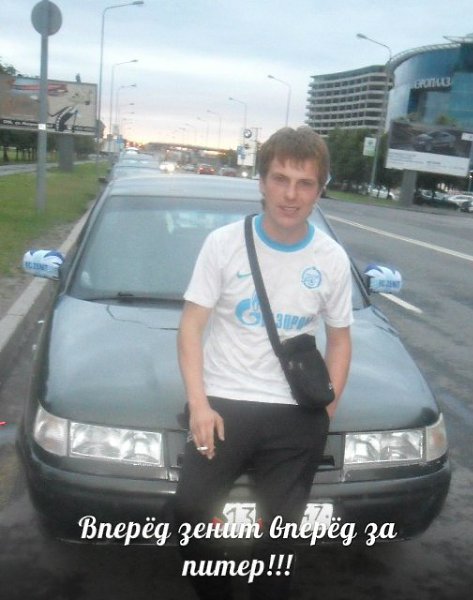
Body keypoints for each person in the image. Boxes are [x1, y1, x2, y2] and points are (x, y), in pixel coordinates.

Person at [174, 126, 353, 600]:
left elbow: (340, 340)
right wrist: (199, 404)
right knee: (190, 514)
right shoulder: (223, 244)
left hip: (294, 413)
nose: (290, 195)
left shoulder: (331, 258)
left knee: (280, 538)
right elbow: (191, 327)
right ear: (262, 182)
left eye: (304, 183)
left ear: (319, 190)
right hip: (224, 406)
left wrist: (326, 412)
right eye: (280, 179)